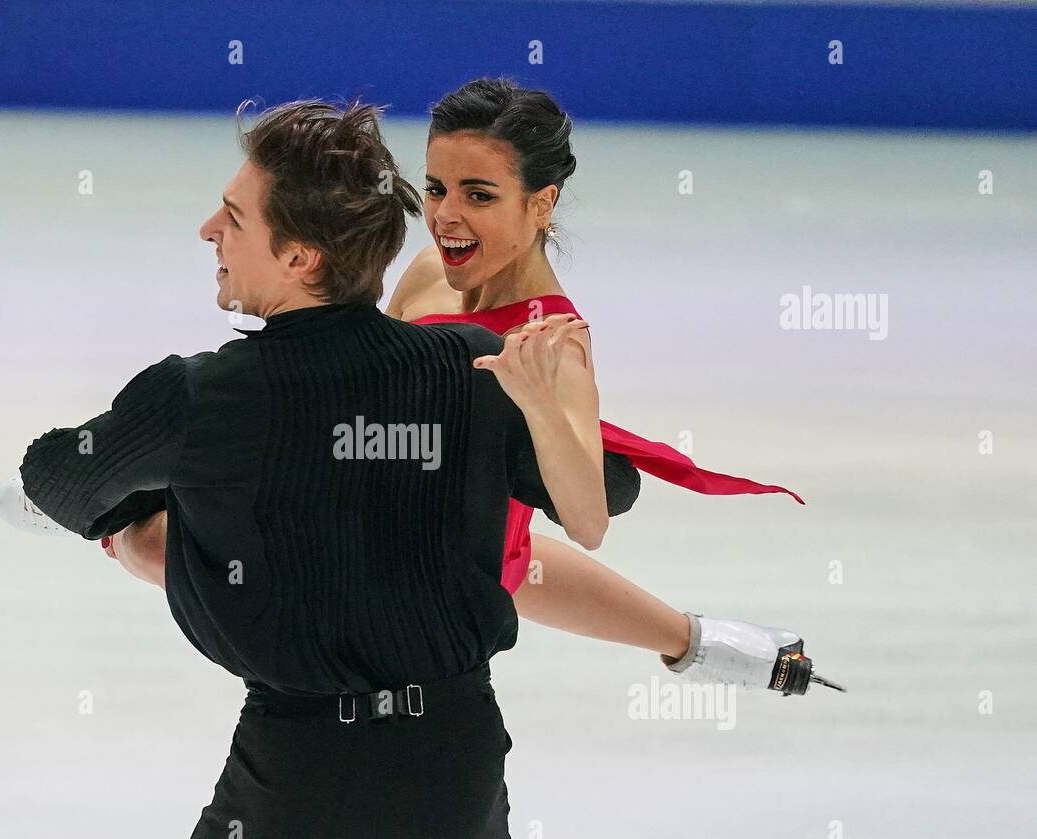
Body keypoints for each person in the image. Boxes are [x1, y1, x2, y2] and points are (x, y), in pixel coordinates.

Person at [13, 99, 637, 839]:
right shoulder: (471, 368)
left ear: (302, 257)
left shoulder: (203, 396)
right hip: (450, 759)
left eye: (234, 218)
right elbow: (607, 486)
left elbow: (56, 478)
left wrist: (145, 527)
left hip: (290, 770)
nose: (209, 228)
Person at [93, 78, 815, 691]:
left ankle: (703, 645)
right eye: (436, 188)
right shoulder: (431, 272)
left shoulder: (555, 345)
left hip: (434, 563)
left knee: (150, 543)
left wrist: (535, 404)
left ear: (541, 204)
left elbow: (590, 524)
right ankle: (701, 641)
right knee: (508, 551)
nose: (445, 214)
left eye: (479, 194)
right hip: (391, 489)